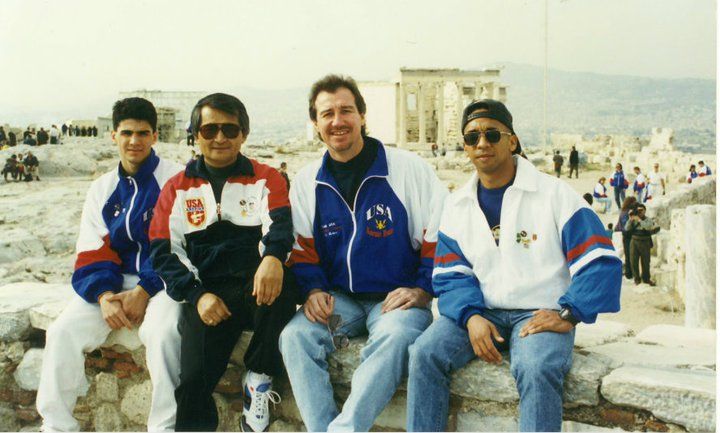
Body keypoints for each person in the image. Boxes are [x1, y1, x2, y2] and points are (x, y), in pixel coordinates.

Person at [405, 99, 622, 432]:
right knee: (424, 354)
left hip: (538, 313)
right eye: (472, 137)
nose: (482, 144)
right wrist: (470, 316)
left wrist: (570, 313)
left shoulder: (554, 195)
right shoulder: (456, 205)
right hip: (481, 311)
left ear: (512, 140)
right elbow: (450, 273)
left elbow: (599, 260)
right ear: (464, 147)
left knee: (536, 368)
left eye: (492, 134)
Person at [279, 74, 446, 432]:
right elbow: (302, 248)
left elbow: (439, 237)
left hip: (396, 302)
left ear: (362, 116)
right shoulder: (308, 181)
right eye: (327, 114)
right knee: (294, 338)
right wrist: (312, 290)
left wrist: (422, 289)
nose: (337, 121)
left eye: (346, 111)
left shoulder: (407, 170)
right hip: (341, 305)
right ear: (316, 123)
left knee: (396, 338)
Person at [149, 92, 297, 432]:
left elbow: (281, 225)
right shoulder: (176, 188)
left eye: (230, 130)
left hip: (254, 287)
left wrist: (273, 257)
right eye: (210, 129)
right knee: (193, 384)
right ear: (195, 134)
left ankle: (258, 379)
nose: (220, 138)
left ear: (243, 134)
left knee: (285, 279)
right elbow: (164, 250)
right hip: (208, 296)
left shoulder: (266, 178)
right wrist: (197, 295)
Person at [36, 98, 184, 432]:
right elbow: (91, 249)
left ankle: (164, 426)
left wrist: (145, 290)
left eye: (143, 133)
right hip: (113, 285)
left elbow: (179, 246)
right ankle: (56, 426)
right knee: (62, 332)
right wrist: (103, 295)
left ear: (155, 136)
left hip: (163, 283)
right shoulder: (102, 188)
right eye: (127, 132)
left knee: (163, 334)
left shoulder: (175, 179)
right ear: (113, 135)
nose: (135, 141)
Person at [624, 203, 660, 286]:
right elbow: (626, 228)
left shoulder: (648, 220)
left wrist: (640, 220)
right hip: (634, 241)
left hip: (645, 242)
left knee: (646, 261)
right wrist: (630, 219)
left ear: (645, 211)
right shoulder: (633, 219)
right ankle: (637, 279)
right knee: (633, 261)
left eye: (641, 210)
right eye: (638, 210)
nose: (639, 212)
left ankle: (646, 278)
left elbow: (647, 227)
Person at [614, 196, 638, 280]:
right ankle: (629, 273)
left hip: (626, 236)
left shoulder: (625, 211)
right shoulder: (625, 213)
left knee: (629, 255)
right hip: (627, 236)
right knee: (628, 255)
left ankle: (630, 272)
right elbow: (626, 227)